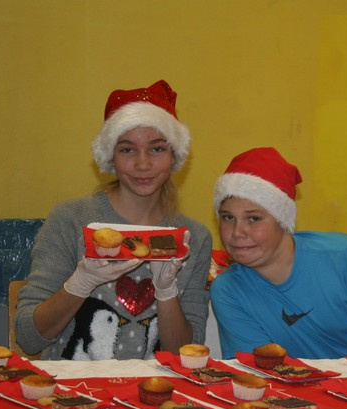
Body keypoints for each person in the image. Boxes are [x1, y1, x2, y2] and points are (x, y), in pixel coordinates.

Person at [15, 80, 212, 360]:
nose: (142, 164)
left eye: (157, 149)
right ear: (111, 156)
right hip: (73, 384)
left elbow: (186, 355)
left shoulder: (193, 237)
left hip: (155, 386)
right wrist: (79, 284)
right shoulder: (71, 220)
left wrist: (166, 292)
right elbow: (28, 337)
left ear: (174, 156)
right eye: (127, 149)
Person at [210, 147, 347, 359]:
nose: (237, 232)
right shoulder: (228, 290)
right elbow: (256, 374)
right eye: (228, 217)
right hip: (293, 388)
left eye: (254, 218)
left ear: (283, 219)